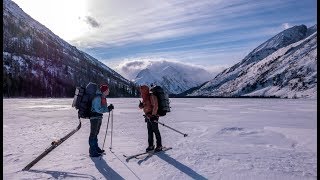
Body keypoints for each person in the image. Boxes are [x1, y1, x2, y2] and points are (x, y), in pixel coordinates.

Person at [89, 84, 114, 157]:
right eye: (107, 90)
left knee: (96, 133)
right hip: (94, 117)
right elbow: (98, 109)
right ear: (104, 91)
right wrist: (107, 109)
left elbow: (102, 108)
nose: (108, 91)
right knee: (93, 134)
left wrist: (108, 108)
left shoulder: (102, 97)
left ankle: (96, 148)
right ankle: (92, 151)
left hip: (98, 117)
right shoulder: (98, 98)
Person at [139, 85, 163, 152]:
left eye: (142, 90)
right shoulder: (144, 97)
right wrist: (141, 106)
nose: (141, 92)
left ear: (145, 90)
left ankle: (159, 146)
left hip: (153, 116)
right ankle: (151, 145)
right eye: (141, 91)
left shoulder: (152, 96)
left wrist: (153, 115)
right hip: (148, 116)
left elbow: (155, 106)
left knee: (156, 131)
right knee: (150, 131)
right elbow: (145, 106)